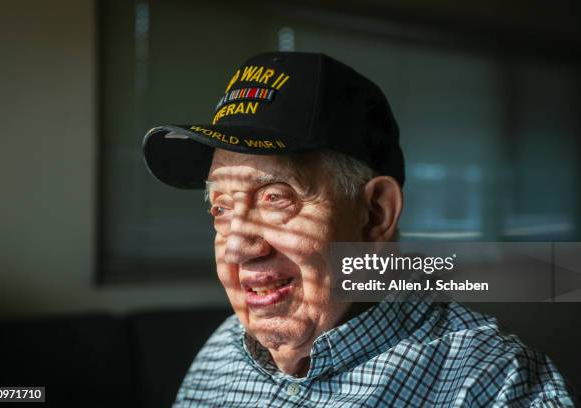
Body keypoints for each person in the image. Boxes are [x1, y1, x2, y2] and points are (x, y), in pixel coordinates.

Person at [142, 52, 575, 407]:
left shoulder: (492, 384)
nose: (237, 246)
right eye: (220, 207)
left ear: (375, 214)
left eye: (275, 197)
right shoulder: (221, 351)